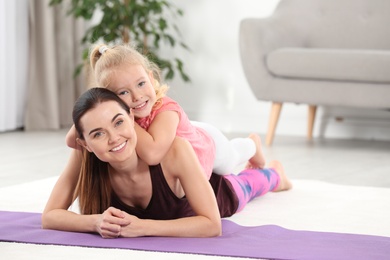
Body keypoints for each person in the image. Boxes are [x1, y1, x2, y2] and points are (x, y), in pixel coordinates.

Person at [42, 88, 292, 238]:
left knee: (247, 185)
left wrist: (142, 228)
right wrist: (95, 222)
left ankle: (275, 173)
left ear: (131, 117)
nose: (113, 138)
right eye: (98, 133)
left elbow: (212, 225)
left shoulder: (174, 150)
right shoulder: (84, 156)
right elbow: (50, 216)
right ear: (85, 143)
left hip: (215, 192)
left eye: (118, 122)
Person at [66, 43, 265, 178]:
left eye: (141, 84)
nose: (137, 96)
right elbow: (72, 140)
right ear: (110, 98)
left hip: (207, 143)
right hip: (171, 133)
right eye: (123, 92)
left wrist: (124, 117)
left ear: (151, 79)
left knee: (231, 160)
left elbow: (152, 154)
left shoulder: (166, 110)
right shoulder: (117, 114)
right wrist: (96, 110)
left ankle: (253, 143)